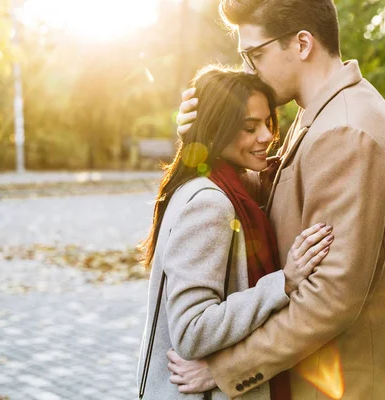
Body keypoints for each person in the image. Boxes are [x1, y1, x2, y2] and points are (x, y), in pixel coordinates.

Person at [168, 0, 385, 399]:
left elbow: (329, 297)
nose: (249, 70)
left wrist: (226, 369)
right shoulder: (320, 112)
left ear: (301, 44)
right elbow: (286, 197)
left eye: (256, 54)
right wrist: (203, 143)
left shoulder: (347, 131)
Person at [136, 66, 335, 399]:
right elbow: (191, 331)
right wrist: (282, 283)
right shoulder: (211, 204)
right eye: (248, 127)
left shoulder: (203, 184)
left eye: (267, 123)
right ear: (215, 130)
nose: (266, 136)